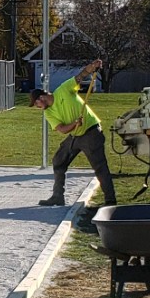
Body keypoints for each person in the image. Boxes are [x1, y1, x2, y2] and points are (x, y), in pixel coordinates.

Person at [30, 58, 115, 214]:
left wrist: (92, 67)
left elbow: (80, 76)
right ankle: (58, 196)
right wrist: (74, 124)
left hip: (91, 131)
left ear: (41, 98)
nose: (37, 107)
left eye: (36, 104)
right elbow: (62, 129)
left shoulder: (63, 90)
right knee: (58, 160)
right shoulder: (48, 112)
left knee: (99, 166)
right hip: (76, 135)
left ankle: (110, 200)